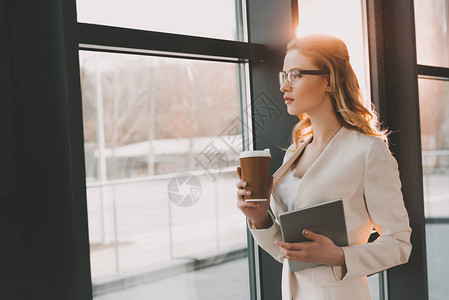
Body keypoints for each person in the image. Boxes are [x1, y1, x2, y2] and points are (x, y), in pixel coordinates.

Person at [235, 34, 412, 300]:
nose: (284, 86)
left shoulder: (367, 151)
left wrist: (340, 256)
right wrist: (260, 218)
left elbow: (399, 244)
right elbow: (291, 252)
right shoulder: (295, 152)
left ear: (328, 80)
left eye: (295, 75)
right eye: (283, 75)